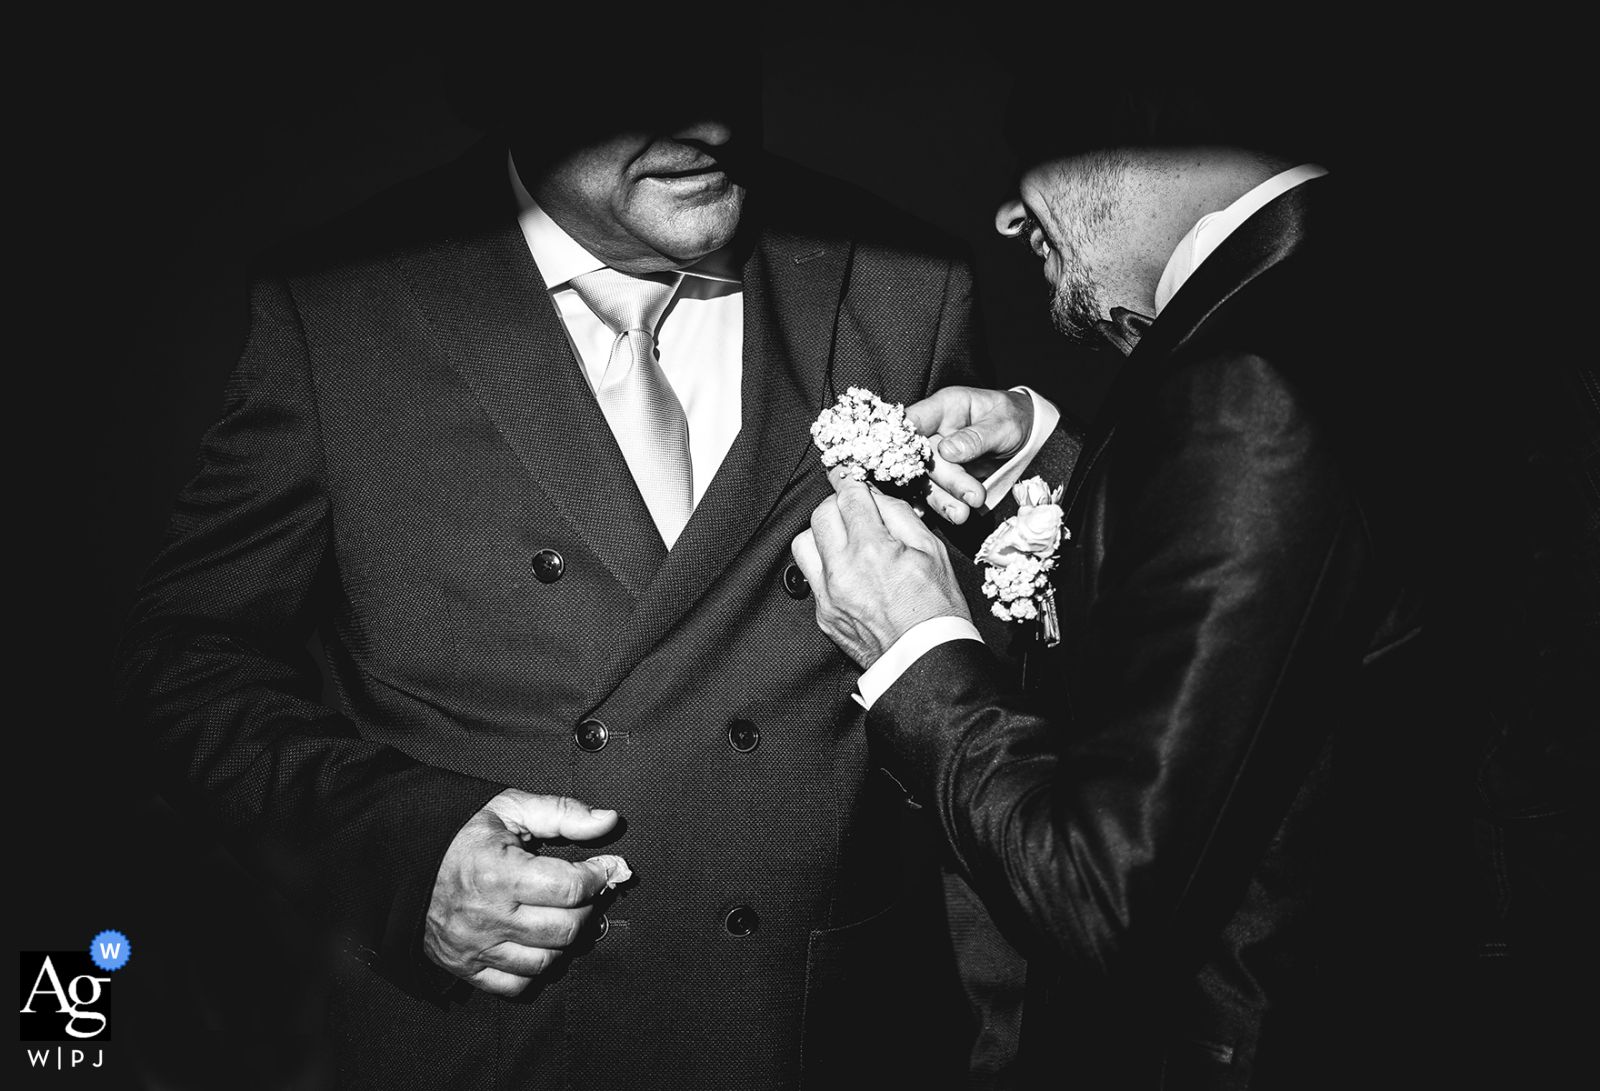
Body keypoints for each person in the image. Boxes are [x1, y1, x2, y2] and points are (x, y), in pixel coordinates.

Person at [112, 27, 1045, 1088]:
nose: (710, 121)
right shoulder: (342, 304)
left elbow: (982, 691)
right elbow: (184, 661)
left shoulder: (903, 280)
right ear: (502, 75)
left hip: (811, 1032)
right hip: (497, 1040)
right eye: (637, 70)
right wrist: (395, 846)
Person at [792, 56, 1432, 1087]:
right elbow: (1281, 571)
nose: (1008, 217)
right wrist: (1052, 452)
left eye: (1035, 151)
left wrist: (913, 650)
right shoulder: (1337, 286)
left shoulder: (1249, 379)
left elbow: (1099, 891)